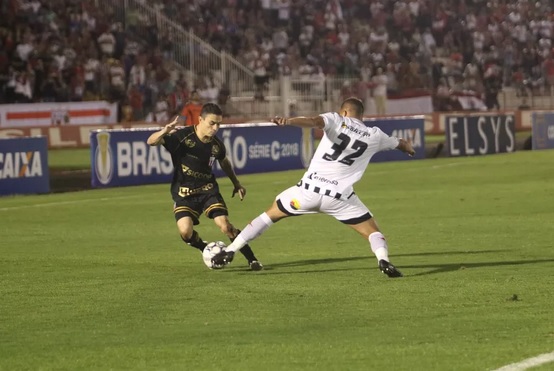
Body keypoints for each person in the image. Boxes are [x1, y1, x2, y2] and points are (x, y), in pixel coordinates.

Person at [212, 97, 415, 277]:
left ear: (344, 111)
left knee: (269, 215)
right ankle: (383, 260)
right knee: (372, 231)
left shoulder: (336, 120)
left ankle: (231, 250)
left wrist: (289, 121)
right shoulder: (375, 135)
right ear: (362, 115)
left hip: (307, 193)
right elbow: (401, 143)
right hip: (340, 198)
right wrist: (409, 149)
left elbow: (312, 122)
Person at [147, 103, 263, 270]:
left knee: (225, 226)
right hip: (184, 193)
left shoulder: (216, 145)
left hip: (208, 191)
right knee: (185, 232)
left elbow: (224, 162)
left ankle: (252, 259)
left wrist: (236, 183)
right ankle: (205, 248)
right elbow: (151, 142)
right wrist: (165, 130)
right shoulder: (182, 137)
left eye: (219, 124)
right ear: (200, 119)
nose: (215, 128)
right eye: (212, 123)